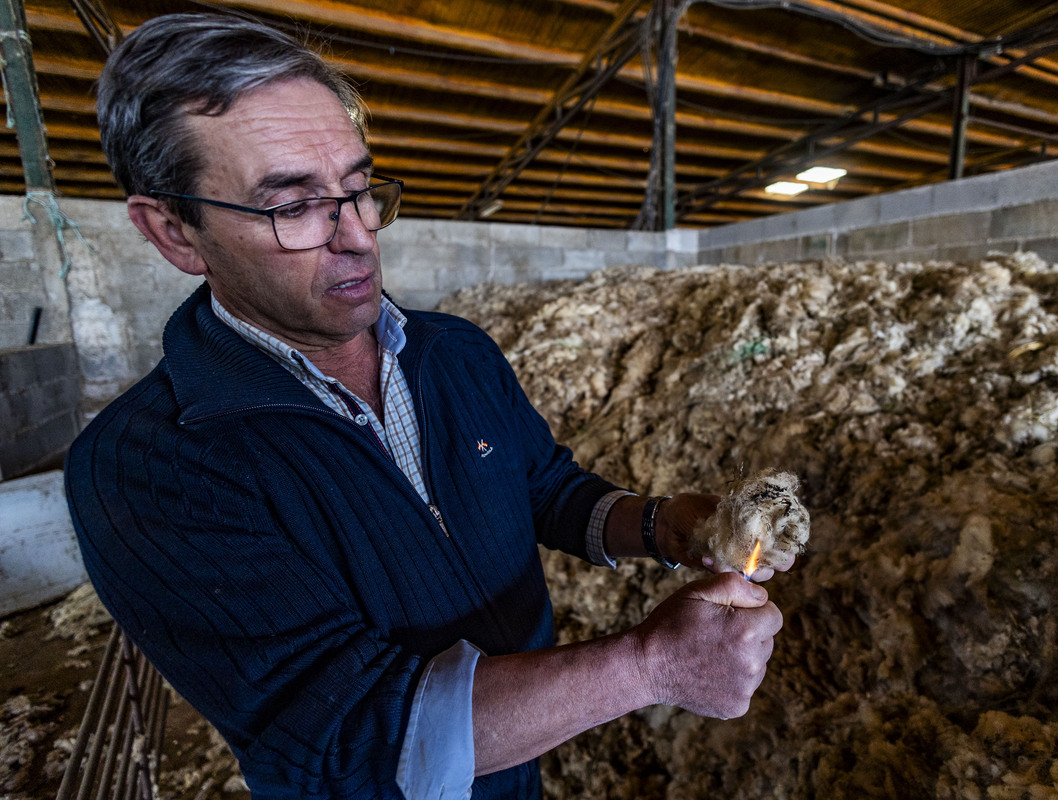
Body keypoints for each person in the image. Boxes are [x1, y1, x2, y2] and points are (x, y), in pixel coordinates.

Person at [65, 13, 788, 800]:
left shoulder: (453, 352)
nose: (356, 238)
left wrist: (664, 526)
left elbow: (541, 486)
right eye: (294, 207)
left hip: (523, 746)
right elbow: (347, 738)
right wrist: (647, 667)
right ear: (175, 232)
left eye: (358, 189)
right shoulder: (147, 466)